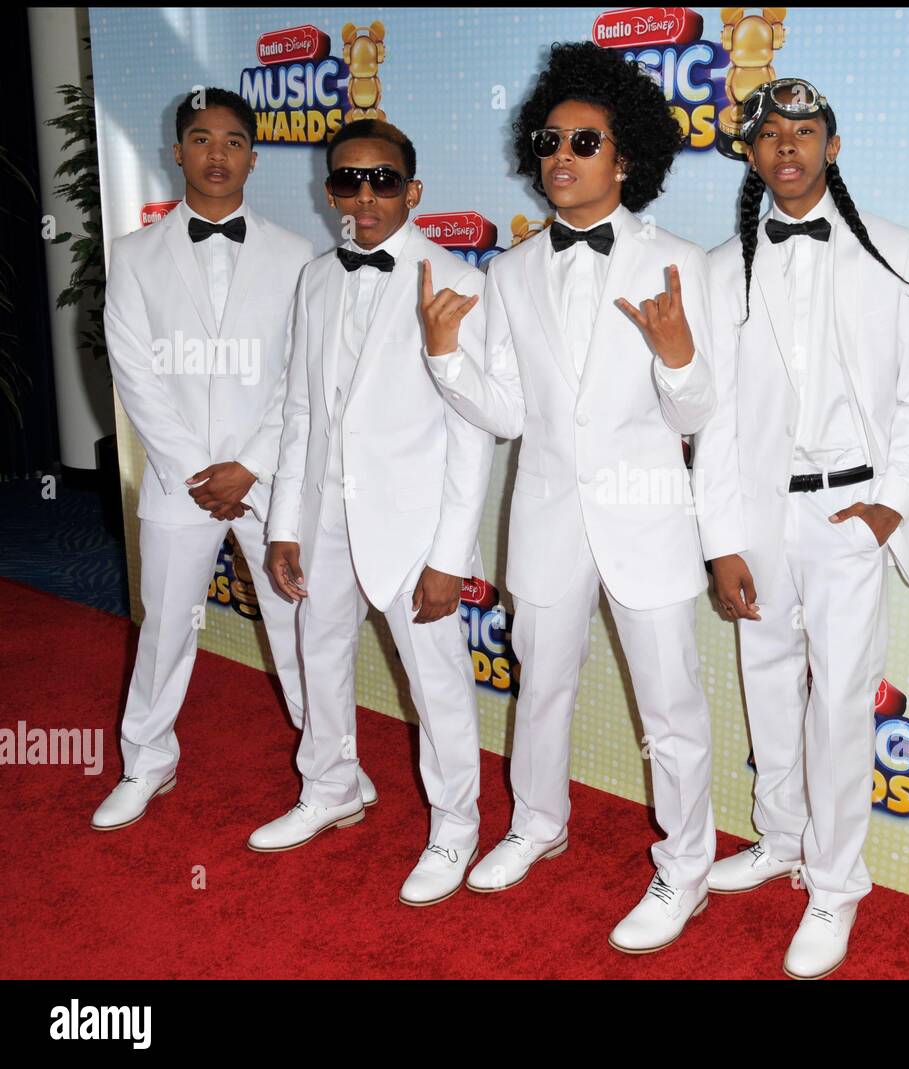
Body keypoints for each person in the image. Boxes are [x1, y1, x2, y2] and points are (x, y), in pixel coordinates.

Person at [425, 42, 718, 953]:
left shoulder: (679, 263)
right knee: (541, 687)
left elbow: (700, 408)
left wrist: (677, 351)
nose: (562, 156)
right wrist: (446, 358)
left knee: (670, 706)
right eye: (550, 140)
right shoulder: (509, 273)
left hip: (648, 518)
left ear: (625, 155)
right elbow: (508, 413)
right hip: (549, 515)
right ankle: (536, 823)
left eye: (584, 143)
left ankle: (685, 871)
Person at [694, 78, 909, 978]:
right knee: (764, 680)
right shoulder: (722, 267)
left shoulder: (896, 251)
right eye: (771, 134)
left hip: (851, 513)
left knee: (840, 702)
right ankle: (781, 836)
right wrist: (723, 538)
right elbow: (716, 420)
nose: (788, 146)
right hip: (759, 511)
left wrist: (893, 503)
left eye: (805, 131)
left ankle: (836, 884)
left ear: (831, 145)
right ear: (752, 153)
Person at [93, 88, 381, 830]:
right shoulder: (133, 256)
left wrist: (248, 467)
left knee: (299, 626)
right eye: (199, 138)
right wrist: (199, 470)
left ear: (253, 156)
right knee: (166, 628)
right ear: (178, 151)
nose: (215, 154)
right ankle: (146, 761)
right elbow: (136, 373)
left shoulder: (298, 258)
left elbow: (301, 376)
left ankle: (335, 765)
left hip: (273, 482)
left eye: (231, 141)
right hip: (177, 483)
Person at [248, 120, 494, 910]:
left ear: (412, 191)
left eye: (383, 180)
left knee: (438, 687)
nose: (366, 195)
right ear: (329, 193)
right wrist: (284, 521)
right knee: (318, 657)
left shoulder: (456, 280)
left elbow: (472, 434)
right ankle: (330, 787)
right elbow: (298, 411)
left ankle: (455, 827)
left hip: (415, 528)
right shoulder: (315, 279)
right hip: (323, 515)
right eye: (349, 180)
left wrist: (450, 554)